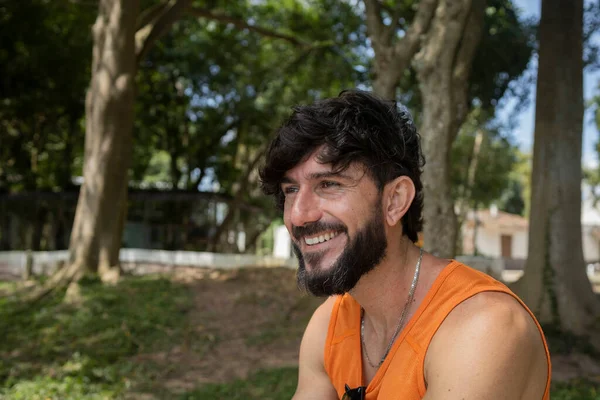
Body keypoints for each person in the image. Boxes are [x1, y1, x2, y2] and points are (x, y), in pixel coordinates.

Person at [259, 90, 551, 400]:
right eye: (291, 190)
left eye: (329, 184)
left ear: (394, 201)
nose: (299, 215)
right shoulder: (330, 323)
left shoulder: (484, 327)